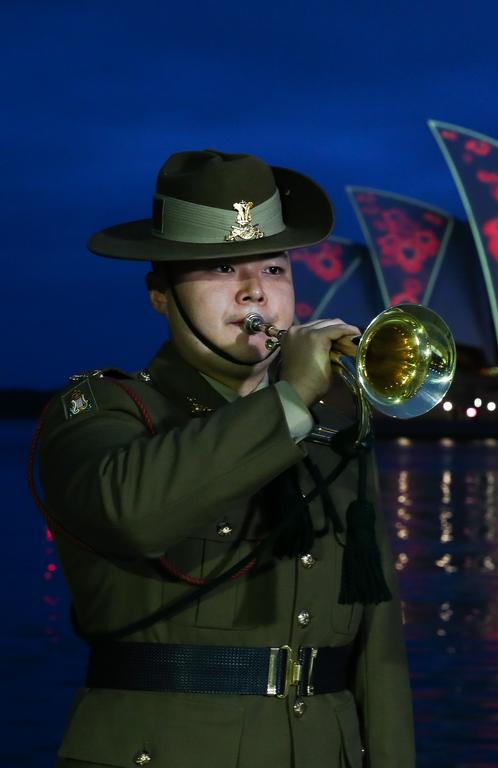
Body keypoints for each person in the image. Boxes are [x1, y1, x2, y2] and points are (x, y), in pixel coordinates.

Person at [35, 149, 415, 767]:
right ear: (160, 295)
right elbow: (129, 511)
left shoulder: (336, 438)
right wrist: (289, 401)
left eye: (274, 267)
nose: (254, 292)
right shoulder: (103, 412)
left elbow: (380, 658)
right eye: (219, 267)